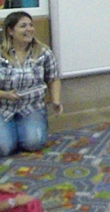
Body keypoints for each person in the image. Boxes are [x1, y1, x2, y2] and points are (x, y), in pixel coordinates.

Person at [0, 11, 63, 157]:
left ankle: (20, 129)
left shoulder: (43, 52)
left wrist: (55, 100)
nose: (29, 29)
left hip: (32, 107)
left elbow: (53, 78)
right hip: (3, 107)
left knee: (33, 143)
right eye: (23, 26)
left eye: (31, 25)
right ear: (10, 31)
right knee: (4, 148)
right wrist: (5, 95)